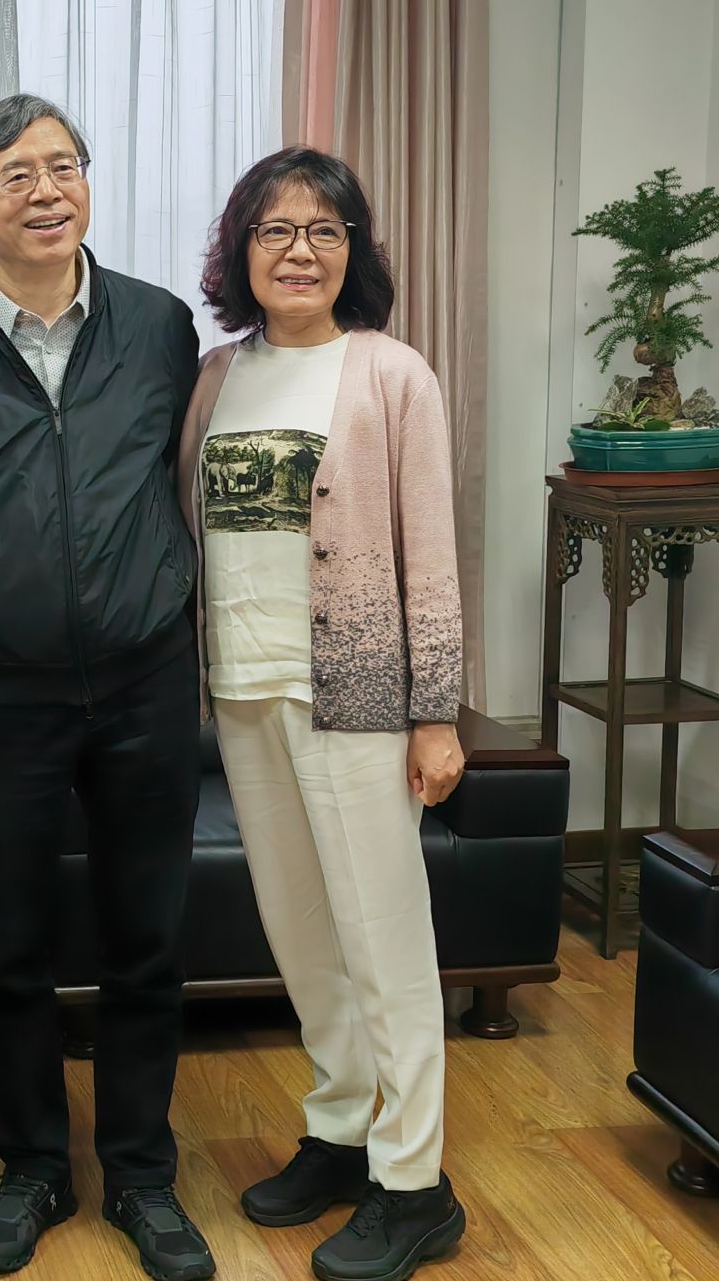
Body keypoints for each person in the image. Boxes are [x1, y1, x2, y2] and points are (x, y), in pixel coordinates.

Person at [0, 95, 212, 1280]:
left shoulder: (158, 325)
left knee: (145, 941)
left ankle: (140, 1173)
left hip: (142, 681)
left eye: (64, 165)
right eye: (16, 173)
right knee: (6, 947)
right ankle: (31, 1165)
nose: (46, 189)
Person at [180, 146, 469, 1280]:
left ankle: (416, 1182)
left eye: (323, 231)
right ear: (240, 250)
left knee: (384, 942)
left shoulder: (390, 375)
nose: (298, 251)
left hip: (354, 699)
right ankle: (343, 1130)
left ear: (352, 252)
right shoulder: (215, 376)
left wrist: (433, 712)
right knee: (300, 933)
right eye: (275, 230)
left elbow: (430, 557)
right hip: (242, 692)